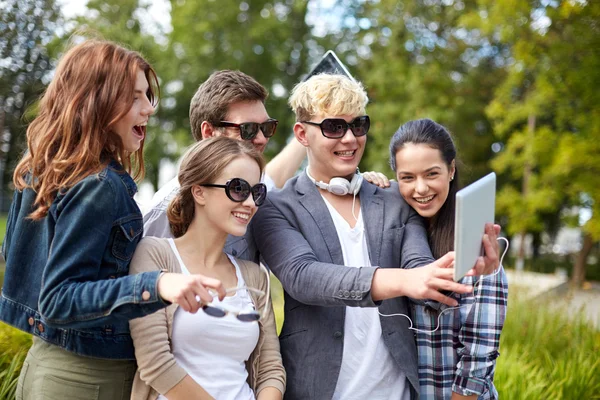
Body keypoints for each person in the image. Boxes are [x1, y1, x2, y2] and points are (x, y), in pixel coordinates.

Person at [249, 73, 500, 400]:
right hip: (315, 389)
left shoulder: (395, 196)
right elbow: (303, 277)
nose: (350, 138)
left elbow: (419, 267)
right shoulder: (276, 207)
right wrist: (403, 280)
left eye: (358, 125)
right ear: (302, 134)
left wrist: (461, 269)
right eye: (334, 127)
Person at [0, 39, 226, 400]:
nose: (148, 109)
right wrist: (158, 284)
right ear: (97, 100)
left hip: (42, 364)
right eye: (135, 97)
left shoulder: (43, 169)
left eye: (147, 96)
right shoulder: (100, 185)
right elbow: (57, 299)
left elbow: (14, 257)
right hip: (89, 379)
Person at [129, 136, 285, 400]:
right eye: (238, 188)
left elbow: (271, 368)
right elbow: (154, 363)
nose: (250, 203)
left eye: (256, 192)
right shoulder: (154, 254)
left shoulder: (255, 276)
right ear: (199, 191)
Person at [389, 118, 508, 400]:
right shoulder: (394, 235)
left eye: (431, 174)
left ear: (451, 170)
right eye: (407, 177)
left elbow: (478, 358)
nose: (420, 189)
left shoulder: (476, 243)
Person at [143, 69, 307, 247]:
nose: (262, 139)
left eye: (267, 127)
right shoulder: (163, 212)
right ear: (209, 133)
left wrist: (308, 129)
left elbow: (274, 177)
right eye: (248, 129)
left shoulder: (251, 193)